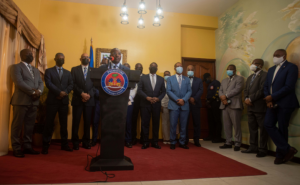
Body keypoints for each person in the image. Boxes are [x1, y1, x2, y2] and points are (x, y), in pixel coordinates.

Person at [264, 49, 299, 164]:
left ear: (284, 56)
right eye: (274, 55)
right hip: (271, 103)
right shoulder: (271, 69)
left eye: (277, 55)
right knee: (268, 124)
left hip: (285, 103)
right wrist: (268, 99)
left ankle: (280, 155)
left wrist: (272, 97)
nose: (275, 57)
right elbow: (266, 86)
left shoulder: (291, 67)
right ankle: (288, 149)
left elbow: (289, 86)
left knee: (282, 129)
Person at [10, 49, 44, 157]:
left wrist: (39, 91)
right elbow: (19, 82)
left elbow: (40, 83)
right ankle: (16, 148)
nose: (30, 55)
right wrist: (33, 92)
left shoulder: (36, 70)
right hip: (21, 101)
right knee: (17, 126)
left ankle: (27, 147)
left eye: (31, 54)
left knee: (29, 126)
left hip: (34, 102)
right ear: (21, 55)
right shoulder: (16, 67)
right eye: (28, 53)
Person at [42, 53, 73, 154]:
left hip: (63, 102)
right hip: (52, 101)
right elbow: (48, 83)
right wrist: (59, 92)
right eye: (59, 58)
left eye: (62, 59)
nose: (61, 60)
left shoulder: (68, 73)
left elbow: (71, 84)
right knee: (49, 124)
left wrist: (64, 93)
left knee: (64, 124)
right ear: (55, 59)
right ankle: (46, 146)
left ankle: (65, 145)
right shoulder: (49, 71)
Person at [242, 59, 268, 157]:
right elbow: (245, 90)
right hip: (250, 107)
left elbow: (262, 90)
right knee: (252, 128)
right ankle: (253, 147)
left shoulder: (265, 75)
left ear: (260, 65)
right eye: (252, 63)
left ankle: (262, 149)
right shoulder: (250, 77)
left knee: (262, 129)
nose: (253, 65)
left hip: (259, 106)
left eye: (255, 63)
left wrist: (251, 99)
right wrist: (246, 99)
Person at [138, 62, 166, 149]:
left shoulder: (161, 79)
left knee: (156, 124)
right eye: (152, 66)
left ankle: (155, 142)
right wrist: (147, 97)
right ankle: (145, 142)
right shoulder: (143, 78)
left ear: (157, 68)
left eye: (155, 66)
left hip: (156, 104)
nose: (153, 67)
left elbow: (164, 92)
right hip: (145, 104)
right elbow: (139, 90)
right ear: (149, 67)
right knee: (145, 123)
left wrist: (158, 98)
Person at [71, 53, 95, 150]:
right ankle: (75, 143)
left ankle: (86, 142)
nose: (85, 58)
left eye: (87, 57)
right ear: (80, 59)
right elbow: (72, 83)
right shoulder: (74, 69)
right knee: (76, 122)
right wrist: (81, 93)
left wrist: (89, 94)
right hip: (78, 99)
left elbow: (96, 86)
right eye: (83, 57)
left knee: (87, 122)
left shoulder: (93, 70)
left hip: (89, 100)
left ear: (89, 59)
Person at [167, 62, 192, 150]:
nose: (179, 68)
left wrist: (183, 100)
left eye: (181, 66)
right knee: (173, 125)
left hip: (184, 105)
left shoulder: (187, 79)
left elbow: (189, 91)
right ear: (174, 68)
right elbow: (168, 91)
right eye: (177, 66)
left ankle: (182, 142)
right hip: (174, 105)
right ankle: (173, 142)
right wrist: (178, 100)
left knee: (183, 125)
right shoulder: (170, 78)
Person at [219, 64, 244, 151]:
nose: (229, 71)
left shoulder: (240, 79)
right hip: (224, 104)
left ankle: (237, 143)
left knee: (236, 125)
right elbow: (220, 90)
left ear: (234, 70)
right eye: (228, 69)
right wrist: (222, 97)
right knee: (227, 125)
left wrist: (225, 96)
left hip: (235, 105)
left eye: (231, 69)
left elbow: (237, 89)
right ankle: (228, 142)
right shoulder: (224, 80)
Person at [91, 58, 108, 147]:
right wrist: (100, 95)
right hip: (98, 101)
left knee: (106, 122)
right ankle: (94, 140)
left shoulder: (110, 76)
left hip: (108, 102)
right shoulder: (96, 75)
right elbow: (94, 87)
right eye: (103, 65)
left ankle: (105, 140)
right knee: (95, 121)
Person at [185, 65, 203, 147]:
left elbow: (201, 90)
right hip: (186, 104)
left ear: (194, 71)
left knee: (197, 123)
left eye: (192, 70)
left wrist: (194, 98)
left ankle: (196, 140)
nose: (190, 71)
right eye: (189, 69)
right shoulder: (183, 79)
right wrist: (188, 98)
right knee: (185, 123)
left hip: (196, 104)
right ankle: (185, 139)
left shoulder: (199, 80)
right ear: (186, 71)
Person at [203, 73, 223, 143]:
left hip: (215, 103)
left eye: (206, 79)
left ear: (209, 77)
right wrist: (207, 101)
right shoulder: (209, 85)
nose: (206, 81)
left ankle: (218, 137)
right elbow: (208, 94)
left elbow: (217, 93)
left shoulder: (216, 83)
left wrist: (210, 101)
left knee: (217, 120)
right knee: (210, 120)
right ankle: (211, 135)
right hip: (209, 104)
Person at [123, 63, 137, 148]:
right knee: (119, 122)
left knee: (128, 122)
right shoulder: (119, 76)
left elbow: (135, 89)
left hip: (129, 102)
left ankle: (128, 140)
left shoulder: (133, 78)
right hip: (119, 102)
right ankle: (119, 140)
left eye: (127, 68)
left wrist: (128, 97)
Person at [132, 63, 144, 145]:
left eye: (140, 68)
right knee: (133, 120)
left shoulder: (146, 77)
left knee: (144, 120)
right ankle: (133, 138)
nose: (139, 69)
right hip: (134, 100)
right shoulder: (132, 76)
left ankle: (143, 138)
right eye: (137, 68)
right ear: (135, 68)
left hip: (143, 100)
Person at [161, 71, 171, 144]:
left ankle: (171, 138)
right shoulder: (161, 84)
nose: (166, 76)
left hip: (172, 105)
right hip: (163, 105)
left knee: (172, 122)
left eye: (168, 75)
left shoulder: (172, 83)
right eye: (165, 75)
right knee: (165, 122)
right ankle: (165, 138)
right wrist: (160, 104)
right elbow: (160, 94)